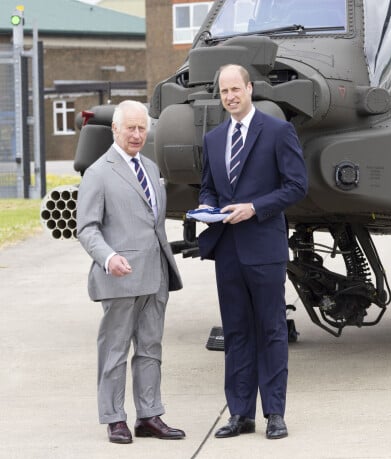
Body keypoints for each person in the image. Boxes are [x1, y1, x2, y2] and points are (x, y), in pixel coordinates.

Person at [197, 64, 308, 440]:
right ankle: (240, 414)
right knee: (237, 333)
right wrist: (207, 207)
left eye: (235, 89)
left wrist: (255, 207)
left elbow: (296, 186)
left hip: (264, 248)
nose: (230, 97)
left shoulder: (278, 131)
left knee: (272, 330)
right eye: (223, 91)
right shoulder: (213, 139)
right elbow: (209, 188)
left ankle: (274, 413)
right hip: (227, 249)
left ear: (249, 88)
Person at [76, 100, 185, 444]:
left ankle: (150, 415)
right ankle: (114, 418)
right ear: (115, 130)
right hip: (119, 277)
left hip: (156, 275)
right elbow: (87, 228)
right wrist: (108, 258)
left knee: (151, 349)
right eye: (131, 129)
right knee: (115, 351)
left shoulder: (151, 168)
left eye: (142, 129)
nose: (137, 135)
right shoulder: (98, 173)